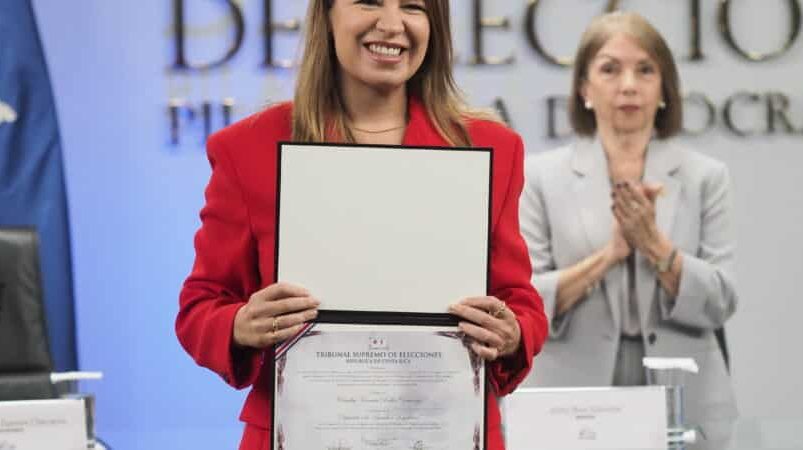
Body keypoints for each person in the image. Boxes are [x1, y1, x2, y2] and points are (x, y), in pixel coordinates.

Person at [175, 1, 548, 449]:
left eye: (413, 6)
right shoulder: (246, 149)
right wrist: (240, 325)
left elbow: (520, 302)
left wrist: (512, 332)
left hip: (447, 431)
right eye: (369, 1)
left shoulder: (492, 148)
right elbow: (200, 308)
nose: (392, 25)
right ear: (326, 17)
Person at [519, 12, 737, 449]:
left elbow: (721, 301)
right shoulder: (540, 176)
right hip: (572, 391)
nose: (629, 85)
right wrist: (612, 253)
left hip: (684, 388)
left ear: (663, 90)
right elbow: (527, 301)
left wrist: (655, 245)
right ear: (584, 89)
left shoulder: (705, 176)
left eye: (645, 69)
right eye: (609, 69)